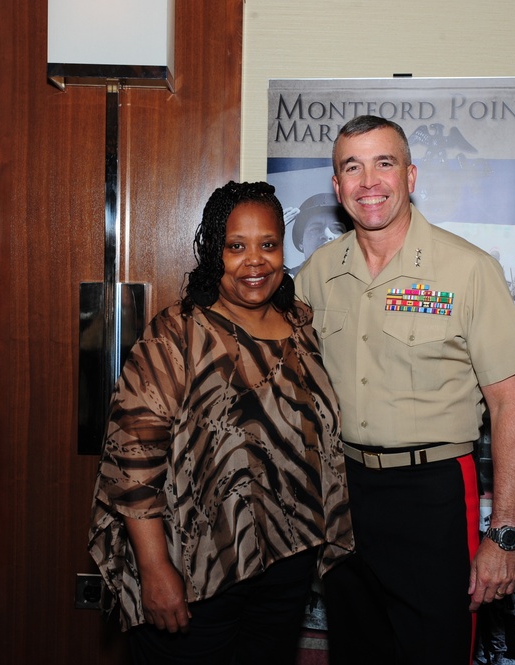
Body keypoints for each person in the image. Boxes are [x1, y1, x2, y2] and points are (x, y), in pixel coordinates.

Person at [295, 116, 515, 665]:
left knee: (437, 651)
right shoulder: (315, 275)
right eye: (351, 167)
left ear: (410, 176)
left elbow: (512, 407)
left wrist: (503, 536)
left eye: (383, 163)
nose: (368, 181)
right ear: (336, 187)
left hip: (432, 495)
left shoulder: (469, 271)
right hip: (345, 499)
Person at [89, 181, 354, 665]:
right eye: (237, 246)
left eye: (268, 245)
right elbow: (132, 460)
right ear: (216, 252)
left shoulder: (300, 323)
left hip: (287, 566)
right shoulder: (178, 333)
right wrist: (153, 569)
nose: (255, 261)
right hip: (195, 570)